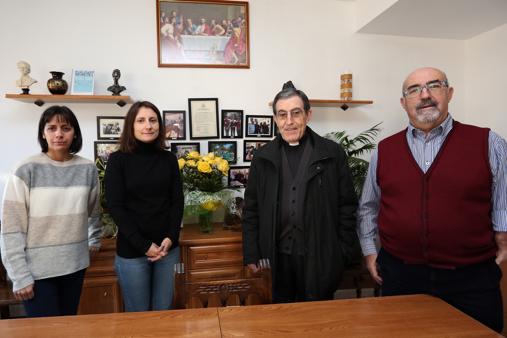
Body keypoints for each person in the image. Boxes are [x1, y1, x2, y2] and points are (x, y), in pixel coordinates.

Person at [357, 67, 507, 333]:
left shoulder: (488, 142)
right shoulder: (385, 150)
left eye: (434, 86)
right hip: (401, 276)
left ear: (449, 93)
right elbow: (368, 207)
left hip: (471, 279)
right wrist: (370, 251)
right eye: (414, 90)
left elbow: (502, 199)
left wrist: (503, 238)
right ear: (404, 103)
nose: (424, 95)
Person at [242, 82, 360, 303]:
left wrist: (340, 253)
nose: (289, 122)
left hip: (319, 256)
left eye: (296, 113)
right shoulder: (262, 158)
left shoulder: (332, 154)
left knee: (318, 322)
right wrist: (251, 254)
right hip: (275, 258)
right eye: (282, 115)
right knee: (281, 320)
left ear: (308, 114)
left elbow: (347, 207)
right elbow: (251, 210)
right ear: (275, 119)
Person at [0, 105, 101, 317]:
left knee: (68, 327)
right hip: (38, 272)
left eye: (65, 128)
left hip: (75, 266)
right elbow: (11, 228)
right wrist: (19, 275)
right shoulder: (25, 169)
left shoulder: (87, 168)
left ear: (75, 133)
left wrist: (94, 239)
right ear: (43, 133)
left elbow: (93, 211)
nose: (59, 134)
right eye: (52, 128)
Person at [105, 101, 184, 312]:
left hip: (167, 250)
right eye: (140, 120)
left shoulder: (169, 159)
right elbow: (115, 206)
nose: (147, 126)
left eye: (152, 120)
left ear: (159, 125)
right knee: (137, 316)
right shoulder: (117, 160)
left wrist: (170, 238)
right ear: (131, 125)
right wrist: (144, 245)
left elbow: (177, 201)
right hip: (133, 251)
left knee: (164, 312)